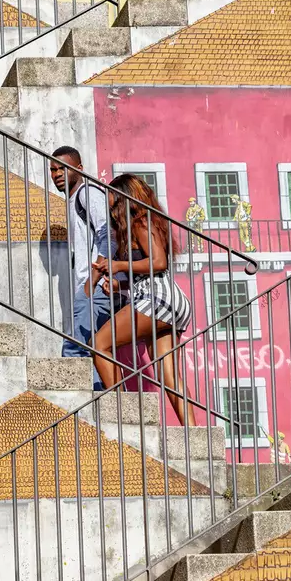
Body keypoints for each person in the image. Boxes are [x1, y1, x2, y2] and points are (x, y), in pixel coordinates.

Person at [89, 174, 196, 424]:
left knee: (100, 344)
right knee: (169, 376)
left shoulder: (140, 221)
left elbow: (158, 262)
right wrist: (120, 285)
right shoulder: (141, 225)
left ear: (124, 198)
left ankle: (126, 419)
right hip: (167, 300)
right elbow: (146, 274)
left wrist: (118, 265)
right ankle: (193, 434)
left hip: (156, 299)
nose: (108, 203)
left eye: (111, 196)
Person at [50, 146, 115, 389]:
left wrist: (94, 280)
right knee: (91, 352)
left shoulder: (87, 193)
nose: (57, 174)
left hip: (94, 288)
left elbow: (108, 234)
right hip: (90, 288)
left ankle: (82, 405)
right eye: (53, 170)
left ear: (79, 169)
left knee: (75, 351)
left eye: (63, 168)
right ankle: (99, 403)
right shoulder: (74, 199)